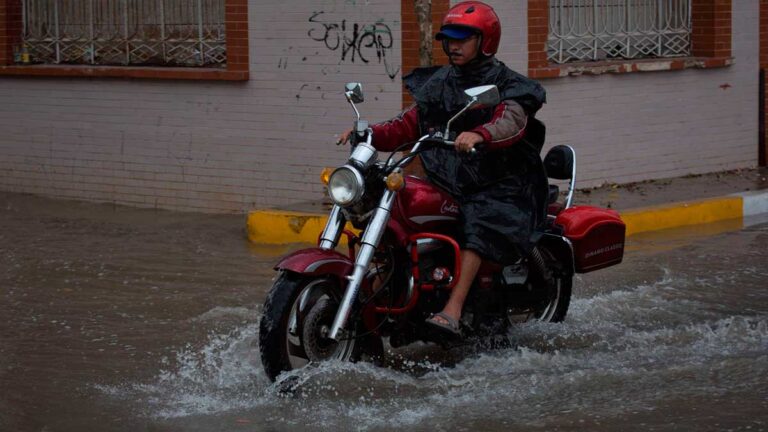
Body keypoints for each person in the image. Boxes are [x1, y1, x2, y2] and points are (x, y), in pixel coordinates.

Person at [340, 1, 548, 336]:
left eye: (463, 38)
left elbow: (511, 121)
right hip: (452, 177)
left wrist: (480, 133)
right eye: (449, 38)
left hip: (504, 182)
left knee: (476, 219)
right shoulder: (440, 81)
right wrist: (369, 133)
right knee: (398, 207)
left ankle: (452, 309)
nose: (453, 45)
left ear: (485, 41)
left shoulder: (507, 83)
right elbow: (409, 123)